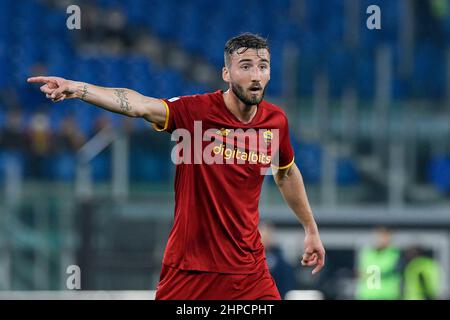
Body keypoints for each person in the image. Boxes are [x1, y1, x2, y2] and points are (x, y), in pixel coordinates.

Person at [27, 33, 325, 300]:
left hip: (248, 272)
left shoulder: (276, 122)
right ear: (226, 73)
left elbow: (286, 172)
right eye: (245, 66)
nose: (256, 75)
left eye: (263, 66)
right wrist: (79, 89)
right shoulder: (195, 112)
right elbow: (140, 104)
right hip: (190, 270)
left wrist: (310, 228)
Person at [355, 227, 402, 300]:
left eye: (385, 236)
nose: (382, 239)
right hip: (367, 295)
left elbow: (384, 268)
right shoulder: (367, 252)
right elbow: (360, 272)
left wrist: (367, 273)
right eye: (380, 236)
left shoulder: (394, 252)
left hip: (388, 295)